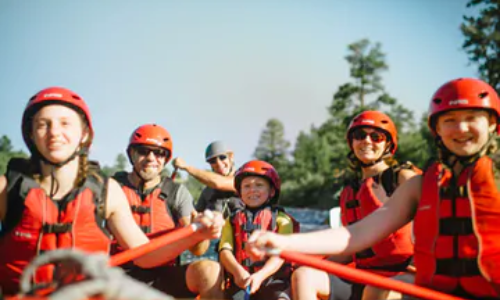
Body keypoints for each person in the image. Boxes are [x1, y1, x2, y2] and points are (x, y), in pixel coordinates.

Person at [247, 78, 500, 300]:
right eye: (451, 120)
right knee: (311, 277)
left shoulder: (403, 176)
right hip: (419, 285)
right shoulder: (420, 186)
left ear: (491, 124)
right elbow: (354, 235)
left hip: (477, 288)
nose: (461, 128)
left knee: (381, 292)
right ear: (438, 130)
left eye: (471, 118)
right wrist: (282, 241)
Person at [0, 87, 223, 296]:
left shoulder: (108, 192)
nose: (54, 132)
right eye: (43, 124)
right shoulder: (6, 188)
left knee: (208, 270)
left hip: (116, 286)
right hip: (103, 278)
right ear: (30, 133)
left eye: (65, 123)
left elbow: (145, 255)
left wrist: (198, 234)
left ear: (84, 134)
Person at [292, 111, 419, 300]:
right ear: (352, 143)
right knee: (304, 276)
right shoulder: (349, 192)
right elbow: (350, 249)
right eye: (360, 136)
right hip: (362, 273)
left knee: (375, 292)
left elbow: (433, 216)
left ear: (388, 145)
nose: (367, 141)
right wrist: (311, 263)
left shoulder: (402, 178)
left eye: (376, 137)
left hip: (402, 274)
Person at [112, 124, 224, 299]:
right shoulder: (112, 189)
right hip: (117, 275)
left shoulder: (177, 193)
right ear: (131, 155)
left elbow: (198, 251)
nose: (151, 158)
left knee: (210, 270)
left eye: (159, 153)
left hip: (162, 276)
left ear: (165, 159)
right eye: (143, 151)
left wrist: (202, 232)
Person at [219, 160, 299, 300]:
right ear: (240, 192)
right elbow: (225, 251)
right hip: (242, 280)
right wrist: (238, 272)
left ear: (272, 191)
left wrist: (260, 275)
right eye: (246, 186)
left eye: (259, 185)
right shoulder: (231, 221)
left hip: (274, 281)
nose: (252, 190)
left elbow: (281, 254)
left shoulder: (283, 220)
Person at [173, 140, 243, 218]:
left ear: (231, 157)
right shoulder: (207, 192)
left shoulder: (242, 181)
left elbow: (218, 183)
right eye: (213, 161)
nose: (219, 164)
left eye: (222, 157)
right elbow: (195, 216)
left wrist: (187, 167)